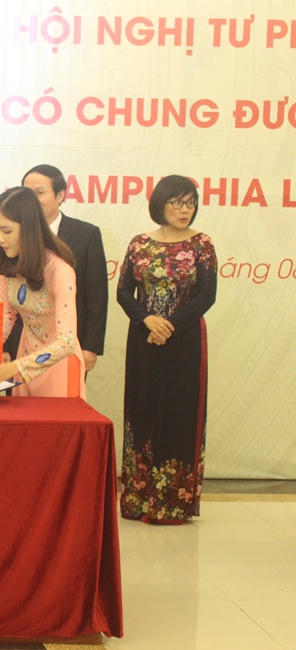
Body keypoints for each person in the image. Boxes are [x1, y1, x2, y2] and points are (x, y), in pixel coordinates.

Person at [117, 175, 216, 524]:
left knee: (178, 412)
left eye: (190, 203)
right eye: (177, 202)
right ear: (160, 203)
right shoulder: (139, 244)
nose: (184, 210)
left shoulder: (202, 244)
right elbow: (124, 292)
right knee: (141, 410)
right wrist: (147, 320)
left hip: (184, 340)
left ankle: (172, 503)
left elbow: (207, 295)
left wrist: (168, 326)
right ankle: (137, 498)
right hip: (143, 338)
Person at [0, 186, 85, 398]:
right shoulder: (4, 263)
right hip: (24, 355)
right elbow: (7, 314)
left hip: (57, 365)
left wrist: (16, 367)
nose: (0, 239)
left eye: (7, 231)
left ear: (28, 229)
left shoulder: (59, 270)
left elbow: (67, 342)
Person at [22, 164, 108, 373]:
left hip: (69, 344)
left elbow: (96, 295)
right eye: (27, 193)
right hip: (23, 345)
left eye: (39, 193)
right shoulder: (13, 233)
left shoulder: (86, 235)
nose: (32, 200)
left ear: (60, 195)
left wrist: (90, 347)